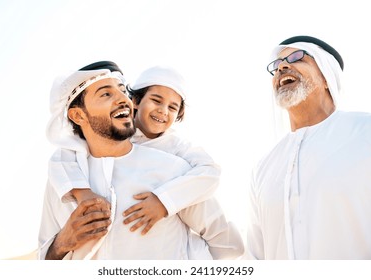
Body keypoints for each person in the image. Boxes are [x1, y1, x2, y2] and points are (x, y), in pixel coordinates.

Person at [39, 62, 243, 259]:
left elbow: (228, 247)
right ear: (77, 115)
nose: (122, 99)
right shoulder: (65, 177)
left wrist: (165, 203)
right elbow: (44, 259)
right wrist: (61, 243)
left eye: (121, 90)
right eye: (106, 93)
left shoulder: (175, 168)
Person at [244, 35, 371, 260]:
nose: (282, 66)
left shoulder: (364, 132)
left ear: (326, 77)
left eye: (296, 57)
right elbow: (255, 256)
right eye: (276, 65)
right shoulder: (264, 168)